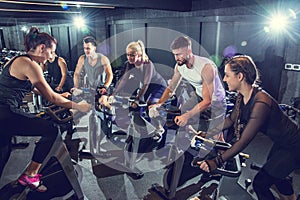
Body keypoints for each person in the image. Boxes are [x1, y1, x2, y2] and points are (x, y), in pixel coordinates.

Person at [0, 27, 91, 192]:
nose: (51, 56)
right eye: (51, 52)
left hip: (3, 112)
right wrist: (79, 106)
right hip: (5, 111)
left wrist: (57, 93)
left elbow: (35, 88)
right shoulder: (30, 64)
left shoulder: (19, 60)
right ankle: (31, 174)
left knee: (3, 154)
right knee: (51, 130)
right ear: (42, 48)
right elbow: (51, 98)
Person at [198, 55, 300, 200]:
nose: (224, 79)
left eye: (227, 75)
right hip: (282, 142)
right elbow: (230, 120)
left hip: (294, 145)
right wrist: (208, 133)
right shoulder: (242, 96)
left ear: (240, 76)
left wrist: (216, 162)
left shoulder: (261, 103)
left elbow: (244, 141)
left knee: (260, 183)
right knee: (278, 176)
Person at [151, 35, 226, 140]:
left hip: (216, 101)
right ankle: (196, 136)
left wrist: (187, 116)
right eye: (174, 55)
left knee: (215, 136)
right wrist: (159, 103)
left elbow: (208, 101)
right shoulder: (179, 66)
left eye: (179, 54)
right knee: (183, 112)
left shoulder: (206, 67)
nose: (176, 58)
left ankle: (225, 153)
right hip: (199, 95)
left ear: (188, 50)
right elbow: (171, 87)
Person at [110, 40, 167, 139]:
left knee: (150, 105)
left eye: (132, 55)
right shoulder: (129, 64)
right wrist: (114, 93)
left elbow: (146, 83)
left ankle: (159, 128)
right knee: (138, 109)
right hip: (148, 88)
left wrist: (137, 99)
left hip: (159, 86)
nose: (129, 57)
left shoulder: (148, 64)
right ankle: (141, 133)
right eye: (127, 55)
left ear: (139, 54)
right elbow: (124, 79)